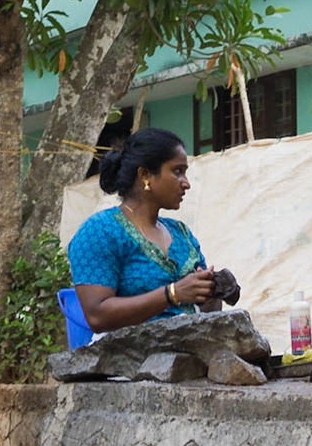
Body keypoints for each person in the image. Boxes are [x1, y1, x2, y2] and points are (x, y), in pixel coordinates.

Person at [67, 127, 238, 333]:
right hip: (126, 358)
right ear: (145, 174)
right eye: (177, 171)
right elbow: (97, 315)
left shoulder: (181, 233)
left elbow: (207, 313)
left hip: (190, 349)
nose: (186, 183)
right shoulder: (100, 231)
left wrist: (212, 291)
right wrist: (172, 294)